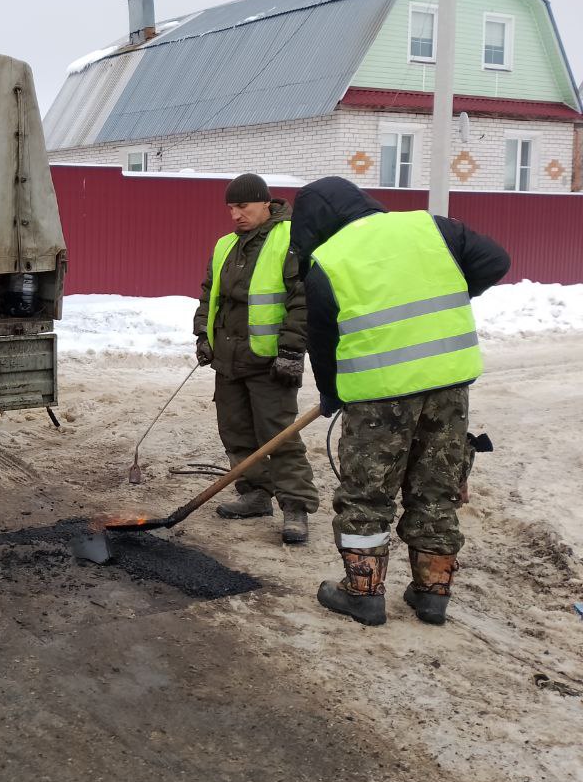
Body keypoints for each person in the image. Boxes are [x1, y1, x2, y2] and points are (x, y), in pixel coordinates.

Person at [290, 176, 509, 626]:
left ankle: (363, 594)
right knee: (437, 488)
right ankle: (432, 595)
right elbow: (495, 261)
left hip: (377, 398)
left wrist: (332, 393)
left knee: (368, 494)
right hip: (448, 385)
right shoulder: (431, 228)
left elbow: (323, 342)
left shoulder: (328, 261)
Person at [192, 172, 318, 544]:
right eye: (231, 208)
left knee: (278, 436)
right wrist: (203, 333)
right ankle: (254, 494)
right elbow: (208, 294)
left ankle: (295, 507)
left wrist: (292, 350)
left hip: (270, 362)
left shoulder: (290, 239)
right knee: (235, 431)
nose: (235, 214)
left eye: (242, 206)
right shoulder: (225, 246)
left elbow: (301, 299)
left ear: (266, 202)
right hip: (229, 359)